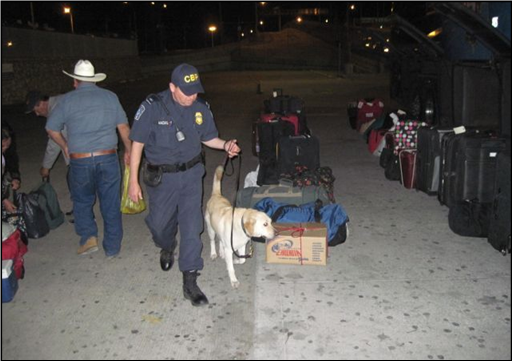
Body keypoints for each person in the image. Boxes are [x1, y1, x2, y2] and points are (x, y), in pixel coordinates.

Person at [128, 63, 240, 307]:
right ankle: (167, 245)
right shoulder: (152, 107)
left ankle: (190, 281)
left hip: (191, 176)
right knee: (159, 225)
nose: (192, 96)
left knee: (192, 227)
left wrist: (225, 145)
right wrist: (132, 181)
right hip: (162, 179)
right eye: (186, 91)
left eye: (195, 91)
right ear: (172, 87)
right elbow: (137, 142)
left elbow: (208, 137)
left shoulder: (200, 108)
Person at [46, 59, 131, 259]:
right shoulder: (110, 97)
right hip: (108, 157)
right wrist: (129, 151)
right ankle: (112, 247)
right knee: (110, 202)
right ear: (93, 79)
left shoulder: (66, 100)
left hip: (80, 160)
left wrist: (65, 146)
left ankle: (88, 238)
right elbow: (124, 128)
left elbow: (51, 128)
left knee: (82, 200)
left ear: (75, 80)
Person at [25, 90, 68, 179]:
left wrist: (46, 167)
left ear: (42, 103)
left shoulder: (55, 113)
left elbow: (55, 142)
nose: (37, 114)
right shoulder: (61, 99)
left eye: (36, 110)